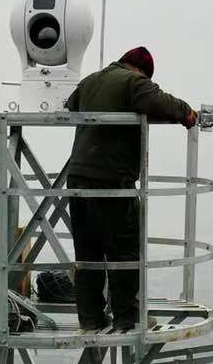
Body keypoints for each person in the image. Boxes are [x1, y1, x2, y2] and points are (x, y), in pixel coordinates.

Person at [61, 46, 198, 332]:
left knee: (87, 253)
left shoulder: (90, 81)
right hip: (111, 180)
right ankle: (128, 319)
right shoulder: (133, 82)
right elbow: (159, 103)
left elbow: (71, 104)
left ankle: (91, 319)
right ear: (141, 70)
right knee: (123, 252)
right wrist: (187, 113)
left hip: (77, 178)